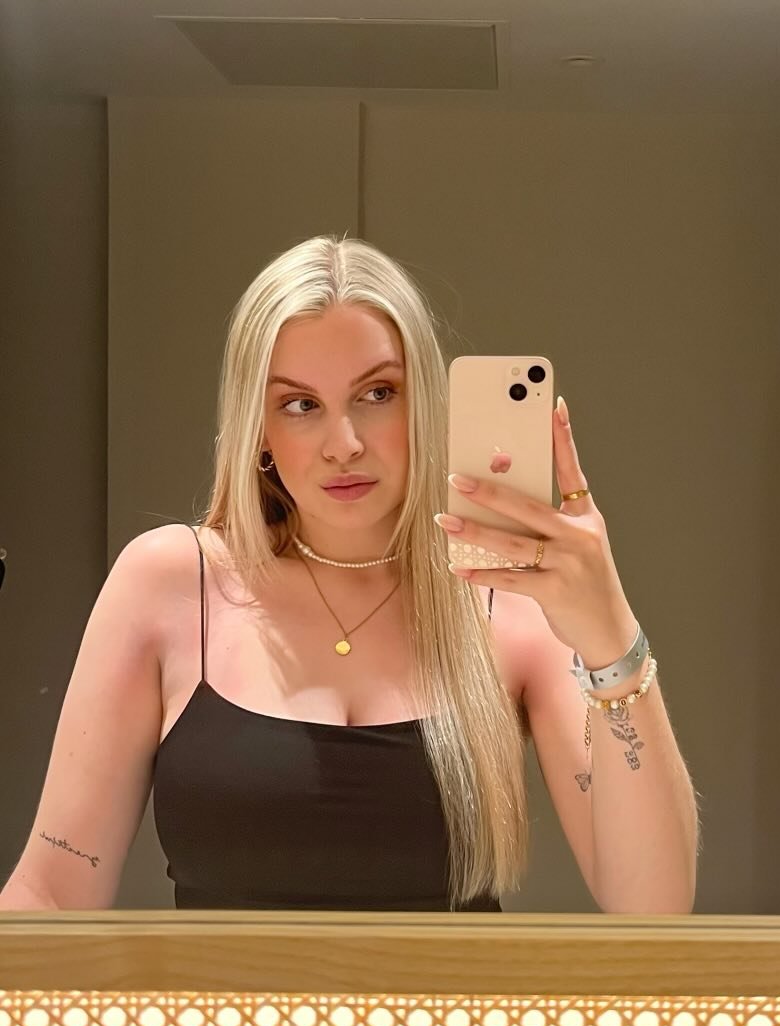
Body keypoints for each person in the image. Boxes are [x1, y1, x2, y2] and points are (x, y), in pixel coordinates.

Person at [0, 236, 698, 913]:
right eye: (300, 405)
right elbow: (52, 892)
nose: (345, 444)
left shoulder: (509, 602)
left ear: (426, 403)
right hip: (220, 1004)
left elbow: (652, 904)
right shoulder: (170, 585)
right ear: (258, 427)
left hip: (455, 1003)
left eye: (378, 393)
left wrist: (610, 637)